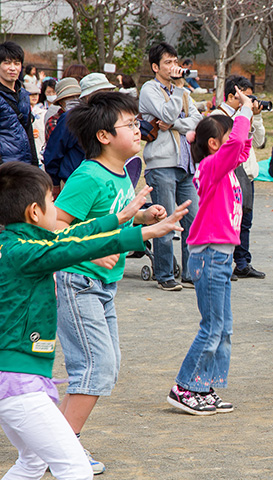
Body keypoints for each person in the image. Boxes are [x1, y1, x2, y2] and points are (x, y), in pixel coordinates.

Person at [0, 162, 187, 480]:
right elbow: (76, 246)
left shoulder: (21, 245)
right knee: (75, 469)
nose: (56, 210)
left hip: (20, 383)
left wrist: (122, 218)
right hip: (20, 386)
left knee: (32, 463)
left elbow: (73, 234)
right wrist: (142, 233)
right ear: (34, 212)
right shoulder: (24, 253)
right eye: (51, 202)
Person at [54, 92, 178, 474]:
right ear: (105, 136)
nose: (138, 128)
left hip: (104, 286)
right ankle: (61, 449)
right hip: (78, 281)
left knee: (104, 365)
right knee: (97, 366)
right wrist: (91, 252)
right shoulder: (89, 175)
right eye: (129, 124)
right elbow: (57, 226)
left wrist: (141, 217)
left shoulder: (123, 171)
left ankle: (56, 442)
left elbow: (110, 219)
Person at [167, 87, 253, 415]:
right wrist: (242, 108)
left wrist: (248, 116)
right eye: (228, 136)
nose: (235, 142)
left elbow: (241, 148)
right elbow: (235, 146)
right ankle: (185, 386)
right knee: (213, 325)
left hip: (221, 255)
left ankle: (204, 386)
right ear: (215, 145)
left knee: (224, 326)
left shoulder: (225, 168)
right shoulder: (212, 168)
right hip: (211, 255)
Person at [139, 42, 203, 290]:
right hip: (161, 164)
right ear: (155, 66)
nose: (174, 67)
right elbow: (165, 115)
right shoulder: (150, 89)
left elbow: (197, 121)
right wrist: (176, 102)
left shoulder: (183, 92)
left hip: (186, 165)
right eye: (167, 62)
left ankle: (189, 273)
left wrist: (176, 123)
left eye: (175, 62)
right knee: (164, 222)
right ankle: (164, 276)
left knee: (193, 221)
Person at [210, 75, 266, 280]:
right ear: (233, 95)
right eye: (247, 97)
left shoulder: (246, 115)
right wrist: (244, 114)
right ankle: (224, 262)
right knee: (227, 220)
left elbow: (259, 142)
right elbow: (230, 143)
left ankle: (242, 263)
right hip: (229, 176)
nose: (251, 102)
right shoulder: (218, 115)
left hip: (247, 176)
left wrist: (255, 117)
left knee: (245, 222)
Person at [43, 73, 115, 196]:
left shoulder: (113, 117)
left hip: (105, 181)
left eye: (108, 92)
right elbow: (53, 153)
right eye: (101, 93)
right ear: (87, 97)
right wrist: (54, 183)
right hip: (74, 182)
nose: (106, 98)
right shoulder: (71, 118)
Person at [0, 41, 38, 165]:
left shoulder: (23, 95)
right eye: (7, 63)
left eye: (17, 63)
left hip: (24, 166)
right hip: (7, 167)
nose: (12, 68)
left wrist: (34, 165)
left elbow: (28, 132)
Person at [44, 78, 80, 143]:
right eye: (69, 97)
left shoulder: (86, 117)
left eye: (77, 96)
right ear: (61, 101)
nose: (74, 100)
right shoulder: (54, 122)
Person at [26, 83, 45, 162]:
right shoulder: (21, 112)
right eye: (31, 94)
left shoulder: (43, 112)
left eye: (36, 94)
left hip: (40, 153)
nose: (34, 97)